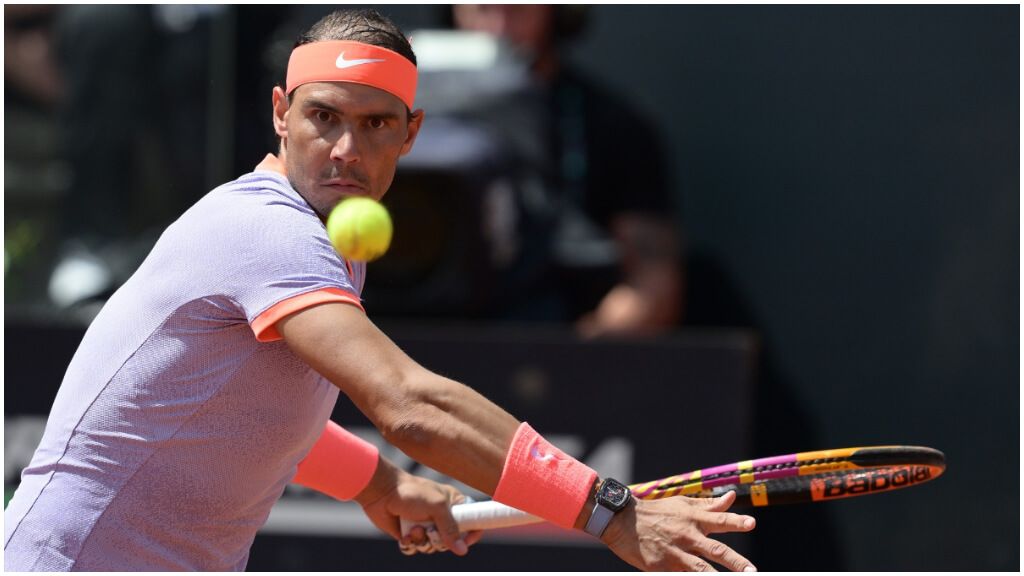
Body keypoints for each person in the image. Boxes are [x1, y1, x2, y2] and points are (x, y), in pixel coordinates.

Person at [4, 9, 756, 571]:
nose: (344, 150)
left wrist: (378, 481)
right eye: (322, 117)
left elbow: (242, 411)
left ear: (411, 132)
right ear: (279, 114)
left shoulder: (319, 237)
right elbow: (412, 404)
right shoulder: (267, 233)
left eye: (374, 125)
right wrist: (611, 514)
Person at [449, 4, 684, 339]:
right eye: (484, 8)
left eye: (516, 9)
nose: (498, 29)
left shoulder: (614, 125)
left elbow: (653, 284)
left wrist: (574, 354)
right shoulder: (404, 118)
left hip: (558, 346)